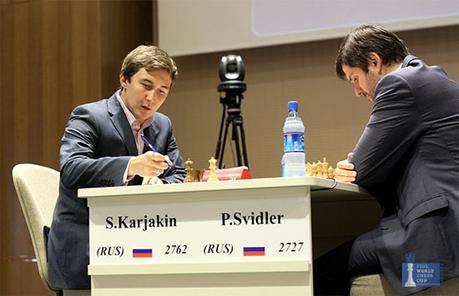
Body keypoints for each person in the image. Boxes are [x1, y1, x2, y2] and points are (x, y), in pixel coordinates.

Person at [313, 24, 459, 295]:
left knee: (321, 268)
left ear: (374, 61)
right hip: (448, 225)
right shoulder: (433, 78)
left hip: (436, 237)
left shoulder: (399, 83)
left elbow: (362, 169)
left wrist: (353, 164)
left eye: (354, 78)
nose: (357, 91)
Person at [47, 45, 186, 290]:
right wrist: (132, 165)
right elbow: (71, 169)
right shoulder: (89, 116)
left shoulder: (163, 125)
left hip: (140, 245)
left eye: (162, 91)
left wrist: (159, 184)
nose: (152, 98)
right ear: (124, 79)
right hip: (87, 248)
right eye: (146, 85)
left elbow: (178, 173)